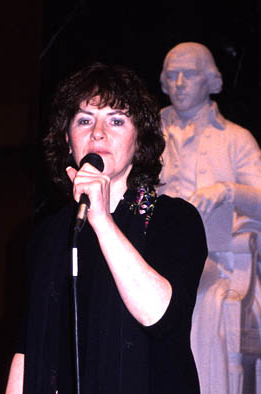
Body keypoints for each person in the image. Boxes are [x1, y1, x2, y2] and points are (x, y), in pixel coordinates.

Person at [5, 62, 207, 394]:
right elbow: (26, 347)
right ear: (68, 142)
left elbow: (159, 315)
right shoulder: (47, 235)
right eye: (84, 120)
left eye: (116, 120)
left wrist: (101, 219)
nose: (98, 133)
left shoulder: (173, 219)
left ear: (139, 139)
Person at [158, 42, 261, 394]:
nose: (180, 82)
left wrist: (228, 190)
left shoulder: (236, 140)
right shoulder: (146, 135)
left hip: (217, 264)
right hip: (150, 258)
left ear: (210, 80)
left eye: (190, 74)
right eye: (172, 75)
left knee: (200, 294)